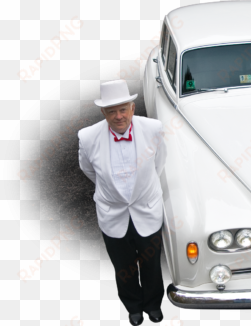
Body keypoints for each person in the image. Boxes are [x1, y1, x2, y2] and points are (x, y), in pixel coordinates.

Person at [77, 79, 168, 325]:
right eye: (111, 111)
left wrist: (143, 188)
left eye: (123, 109)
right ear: (103, 113)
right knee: (123, 266)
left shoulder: (153, 128)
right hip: (112, 213)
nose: (118, 116)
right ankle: (134, 307)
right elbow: (89, 170)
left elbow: (159, 162)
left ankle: (153, 305)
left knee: (151, 262)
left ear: (132, 108)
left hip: (147, 208)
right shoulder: (87, 137)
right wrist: (112, 192)